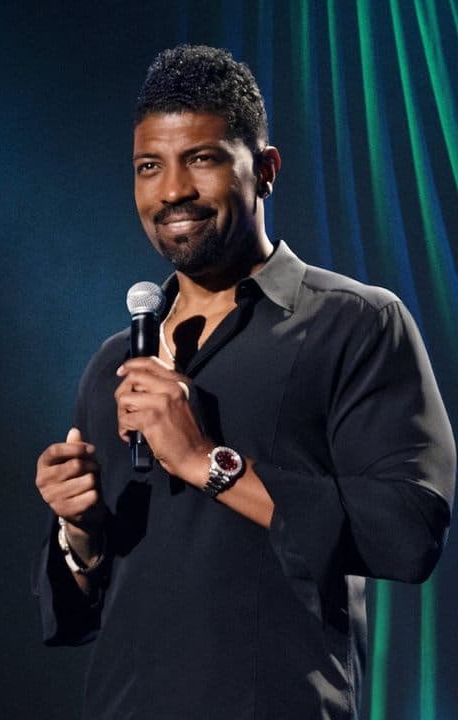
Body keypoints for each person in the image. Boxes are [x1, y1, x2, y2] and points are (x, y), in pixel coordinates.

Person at [32, 45, 455, 719]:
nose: (172, 191)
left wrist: (206, 462)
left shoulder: (356, 323)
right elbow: (80, 615)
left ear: (265, 170)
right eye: (149, 166)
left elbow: (407, 534)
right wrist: (79, 531)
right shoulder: (115, 362)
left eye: (200, 158)